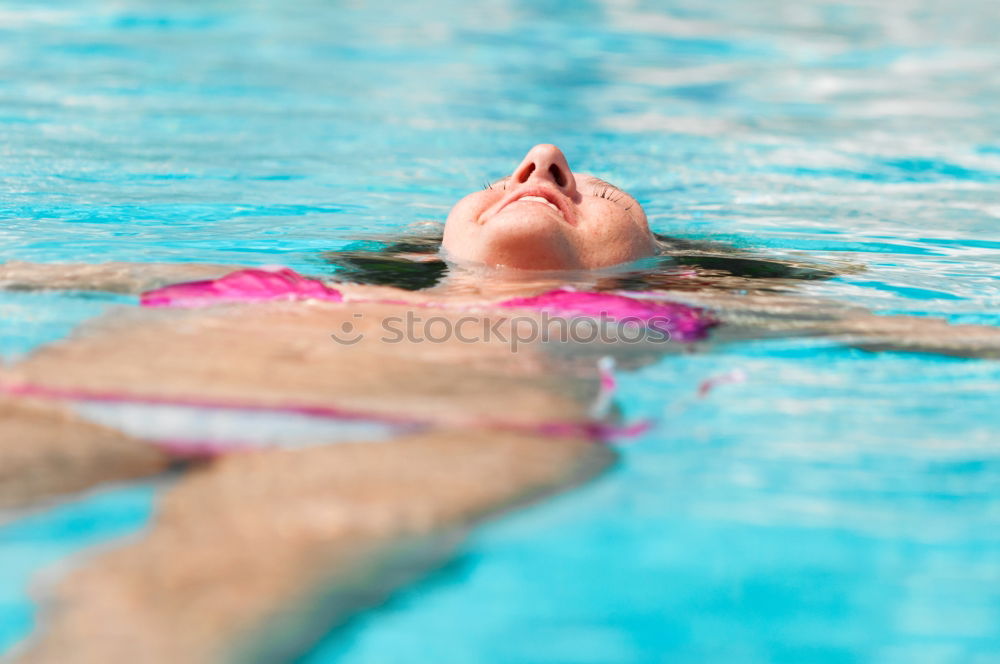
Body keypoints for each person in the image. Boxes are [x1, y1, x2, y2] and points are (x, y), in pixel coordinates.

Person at [2, 144, 1000, 663]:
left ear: (670, 262)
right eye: (511, 176)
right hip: (79, 397)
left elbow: (935, 338)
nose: (543, 164)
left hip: (417, 445)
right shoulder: (255, 276)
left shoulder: (681, 312)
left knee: (151, 631)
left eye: (589, 186)